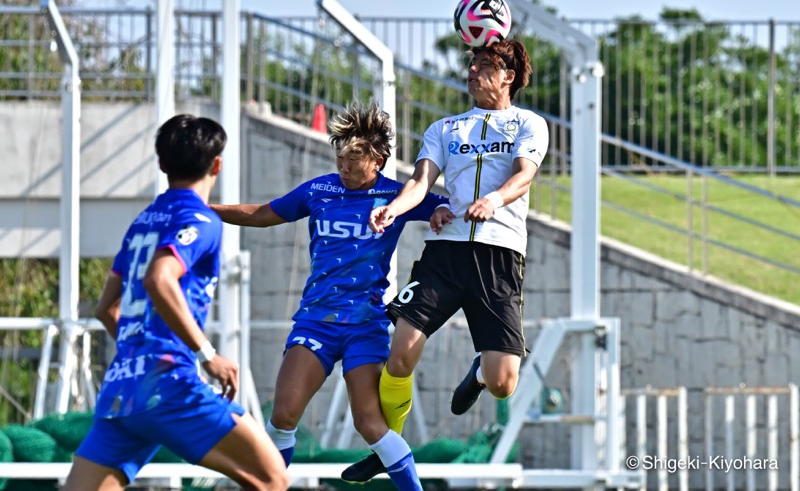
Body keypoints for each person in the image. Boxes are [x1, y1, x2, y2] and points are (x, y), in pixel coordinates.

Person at [210, 101, 447, 491]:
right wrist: (206, 208)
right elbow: (260, 213)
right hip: (316, 320)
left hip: (365, 325)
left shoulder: (398, 196)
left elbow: (453, 210)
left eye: (354, 160)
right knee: (283, 414)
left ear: (379, 159)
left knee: (370, 424)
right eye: (340, 158)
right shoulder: (319, 190)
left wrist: (441, 213)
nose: (344, 167)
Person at [344, 38, 549, 481]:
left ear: (508, 76)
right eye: (471, 63)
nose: (473, 71)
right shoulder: (446, 128)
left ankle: (479, 372)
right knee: (400, 352)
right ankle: (388, 448)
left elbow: (524, 175)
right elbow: (420, 182)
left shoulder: (528, 123)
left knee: (502, 383)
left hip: (498, 258)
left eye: (484, 65)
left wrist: (493, 200)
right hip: (446, 253)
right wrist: (394, 208)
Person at [64, 114, 289, 491]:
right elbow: (159, 278)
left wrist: (141, 351)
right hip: (169, 386)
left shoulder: (143, 221)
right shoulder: (201, 219)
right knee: (273, 478)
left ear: (162, 164)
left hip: (122, 392)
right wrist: (207, 354)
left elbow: (107, 309)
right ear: (217, 164)